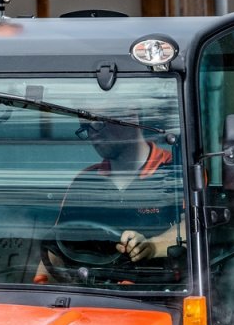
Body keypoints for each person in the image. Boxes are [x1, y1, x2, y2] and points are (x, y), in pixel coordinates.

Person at [35, 113, 183, 281]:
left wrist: (153, 246)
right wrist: (41, 283)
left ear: (131, 116)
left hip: (157, 291)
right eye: (86, 128)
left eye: (97, 124)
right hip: (93, 291)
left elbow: (191, 228)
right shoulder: (85, 181)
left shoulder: (176, 172)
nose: (92, 134)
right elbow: (58, 245)